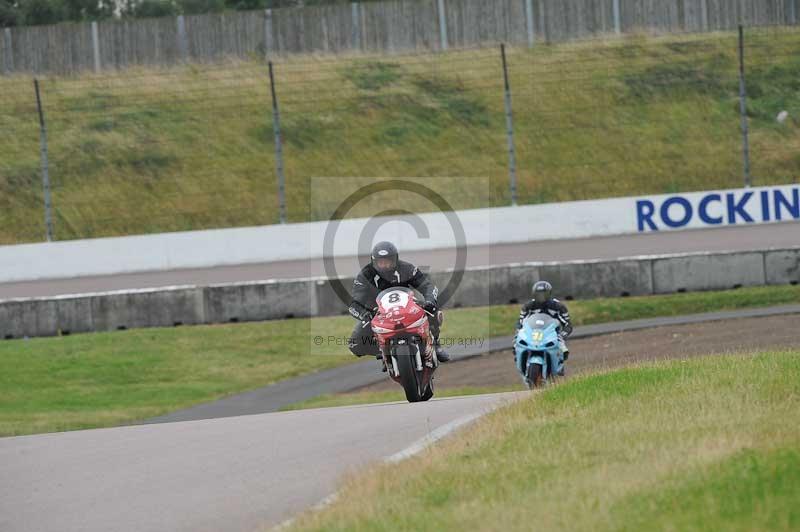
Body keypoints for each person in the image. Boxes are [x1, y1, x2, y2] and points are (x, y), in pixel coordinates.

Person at [348, 241, 450, 363]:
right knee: (355, 345)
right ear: (373, 261)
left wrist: (429, 301)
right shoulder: (365, 275)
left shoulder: (407, 268)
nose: (384, 265)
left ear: (395, 259)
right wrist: (365, 314)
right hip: (378, 314)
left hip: (408, 307)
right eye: (381, 262)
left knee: (432, 309)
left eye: (388, 261)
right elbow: (354, 304)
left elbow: (428, 287)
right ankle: (383, 350)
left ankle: (435, 345)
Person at [515, 280, 573, 372]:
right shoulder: (528, 306)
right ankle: (518, 356)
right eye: (538, 294)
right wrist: (519, 330)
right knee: (516, 339)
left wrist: (563, 334)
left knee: (562, 345)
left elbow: (568, 324)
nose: (541, 297)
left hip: (552, 333)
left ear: (549, 294)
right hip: (532, 331)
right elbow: (520, 321)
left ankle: (559, 364)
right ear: (534, 294)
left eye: (543, 294)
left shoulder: (558, 306)